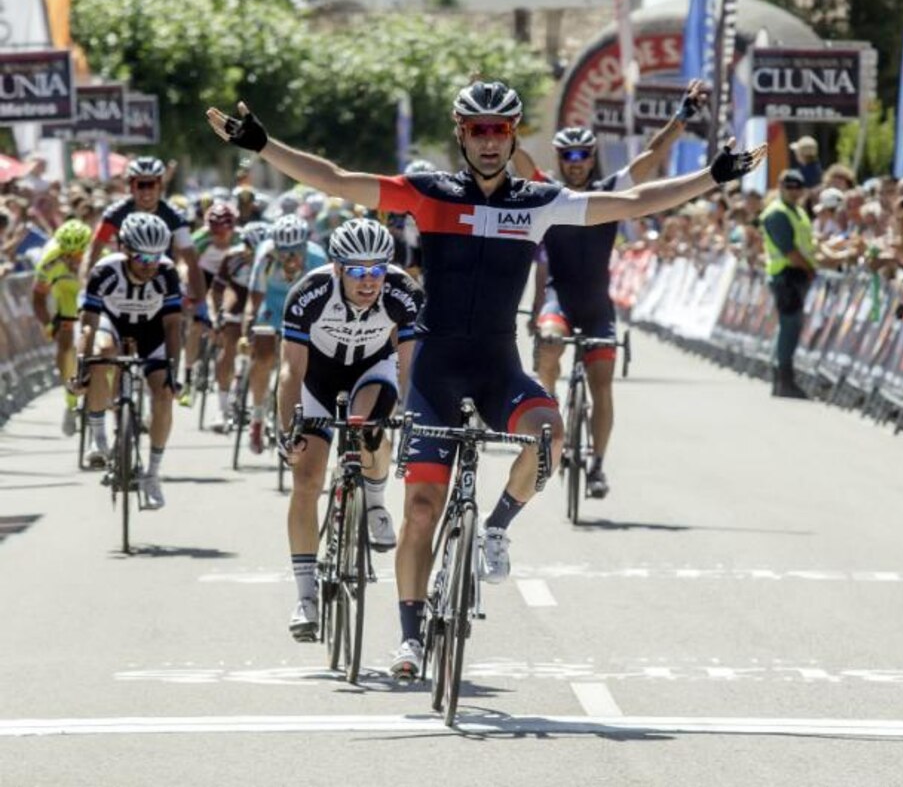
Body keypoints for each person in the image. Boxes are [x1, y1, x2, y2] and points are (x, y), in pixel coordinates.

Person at [207, 80, 765, 679]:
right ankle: (410, 639)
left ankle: (496, 527)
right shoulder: (428, 195)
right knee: (421, 508)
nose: (491, 140)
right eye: (479, 129)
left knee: (549, 433)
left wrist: (714, 175)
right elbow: (338, 180)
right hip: (436, 375)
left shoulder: (539, 202)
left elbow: (632, 202)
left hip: (499, 370)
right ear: (461, 133)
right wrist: (263, 145)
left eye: (502, 129)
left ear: (515, 133)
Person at [510, 80, 709, 497]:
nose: (577, 162)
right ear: (561, 160)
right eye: (569, 156)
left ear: (592, 158)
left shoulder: (609, 190)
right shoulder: (548, 192)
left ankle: (597, 465)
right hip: (559, 300)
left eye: (583, 155)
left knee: (602, 383)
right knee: (548, 347)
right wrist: (494, 119)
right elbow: (517, 157)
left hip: (597, 304)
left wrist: (683, 116)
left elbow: (651, 157)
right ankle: (549, 430)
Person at [278, 218, 423, 640]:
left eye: (377, 270)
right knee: (306, 478)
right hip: (317, 379)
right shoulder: (309, 293)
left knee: (365, 428)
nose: (368, 281)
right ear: (338, 268)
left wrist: (411, 417)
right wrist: (289, 430)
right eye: (357, 271)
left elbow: (410, 365)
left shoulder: (403, 293)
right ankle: (306, 597)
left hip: (372, 372)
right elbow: (291, 371)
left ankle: (375, 501)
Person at [72, 213, 183, 509]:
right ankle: (98, 439)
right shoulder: (104, 271)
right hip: (113, 325)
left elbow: (173, 326)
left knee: (164, 394)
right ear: (125, 250)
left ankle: (153, 474)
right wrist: (81, 366)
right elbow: (88, 323)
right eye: (142, 257)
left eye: (156, 257)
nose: (149, 265)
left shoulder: (167, 274)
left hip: (152, 331)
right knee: (102, 353)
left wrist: (174, 370)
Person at [241, 214, 327, 454]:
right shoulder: (266, 257)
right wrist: (247, 326)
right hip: (273, 309)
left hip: (305, 312)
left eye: (296, 251)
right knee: (263, 358)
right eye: (284, 251)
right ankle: (257, 416)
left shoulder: (317, 258)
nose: (290, 258)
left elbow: (327, 301)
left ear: (304, 247)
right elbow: (254, 299)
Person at [84, 156, 202, 307]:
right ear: (131, 186)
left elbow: (191, 260)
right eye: (141, 185)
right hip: (124, 280)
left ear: (160, 186)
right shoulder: (114, 214)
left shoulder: (175, 216)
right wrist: (86, 287)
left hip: (162, 280)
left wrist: (200, 304)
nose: (146, 191)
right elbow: (94, 251)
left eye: (151, 184)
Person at [208, 220, 272, 432]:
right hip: (237, 299)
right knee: (229, 348)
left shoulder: (271, 259)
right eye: (249, 249)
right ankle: (222, 408)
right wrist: (217, 313)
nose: (252, 254)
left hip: (262, 301)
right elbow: (217, 289)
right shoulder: (232, 258)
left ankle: (264, 400)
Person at [31, 220, 91, 436]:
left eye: (77, 256)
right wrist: (48, 324)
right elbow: (38, 297)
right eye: (67, 255)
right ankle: (70, 400)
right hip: (66, 297)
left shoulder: (98, 258)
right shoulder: (50, 261)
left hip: (91, 299)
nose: (72, 260)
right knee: (65, 345)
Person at [179, 201, 242, 408]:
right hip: (202, 278)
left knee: (226, 330)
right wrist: (190, 293)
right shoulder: (200, 239)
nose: (219, 237)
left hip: (228, 281)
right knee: (196, 326)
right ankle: (187, 377)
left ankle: (225, 374)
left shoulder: (240, 239)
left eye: (224, 233)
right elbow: (185, 266)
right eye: (215, 233)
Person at [761, 169, 815, 399]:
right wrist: (810, 269)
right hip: (787, 274)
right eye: (789, 187)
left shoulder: (799, 212)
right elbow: (790, 250)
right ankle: (783, 380)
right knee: (790, 326)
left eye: (798, 187)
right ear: (780, 187)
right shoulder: (777, 213)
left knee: (790, 327)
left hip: (796, 274)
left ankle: (783, 379)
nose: (794, 191)